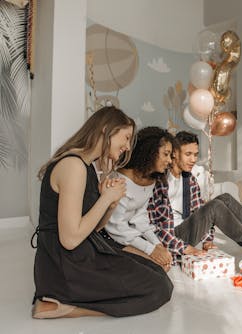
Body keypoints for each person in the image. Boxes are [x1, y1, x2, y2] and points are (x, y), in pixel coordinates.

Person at [32, 107, 172, 319]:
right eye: (125, 138)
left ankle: (63, 300)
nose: (127, 147)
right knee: (159, 286)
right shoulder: (73, 166)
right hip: (65, 265)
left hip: (80, 253)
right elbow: (70, 239)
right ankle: (61, 306)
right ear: (106, 130)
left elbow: (94, 227)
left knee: (157, 271)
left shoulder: (86, 167)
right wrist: (105, 198)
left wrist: (111, 203)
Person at [148, 131, 242, 260]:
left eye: (195, 155)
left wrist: (207, 240)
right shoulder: (161, 180)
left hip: (186, 227)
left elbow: (198, 209)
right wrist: (184, 248)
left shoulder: (189, 179)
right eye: (188, 154)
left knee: (226, 198)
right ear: (175, 153)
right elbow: (158, 228)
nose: (193, 160)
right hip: (170, 239)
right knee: (215, 206)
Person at [99, 127, 174, 272]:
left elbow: (139, 218)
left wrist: (157, 245)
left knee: (162, 266)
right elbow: (115, 227)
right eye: (166, 154)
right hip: (109, 237)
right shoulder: (120, 180)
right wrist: (150, 249)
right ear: (150, 152)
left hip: (126, 235)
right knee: (156, 268)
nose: (169, 161)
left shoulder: (150, 180)